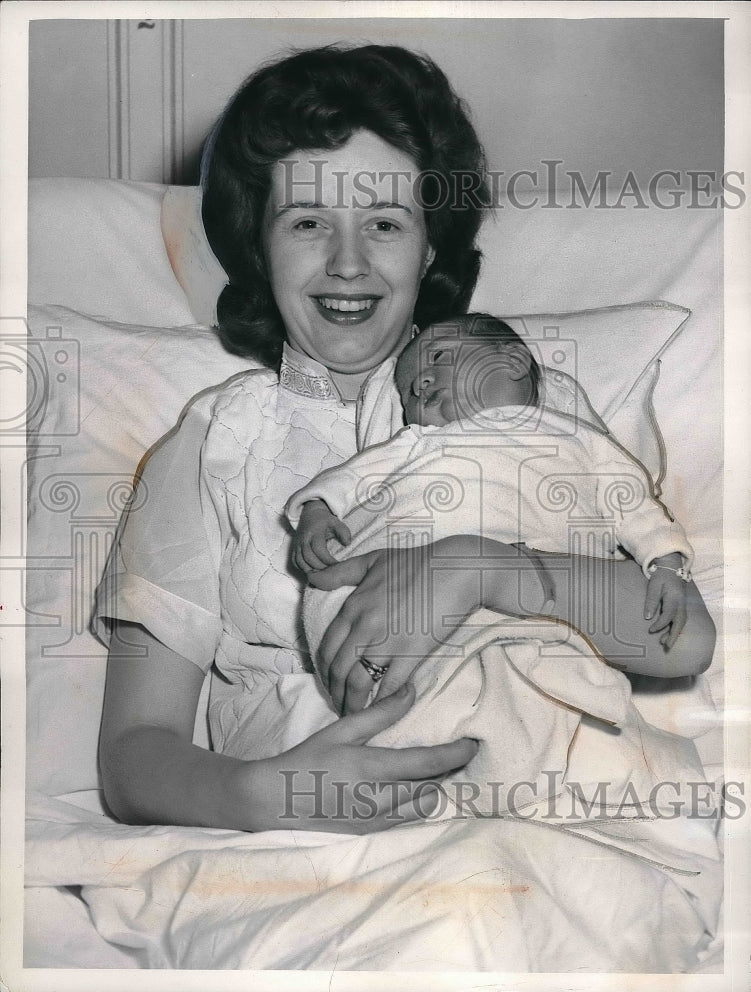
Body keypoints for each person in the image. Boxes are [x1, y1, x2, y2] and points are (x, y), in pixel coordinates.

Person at [96, 44, 714, 839]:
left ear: (429, 245)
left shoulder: (528, 400)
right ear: (257, 240)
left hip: (541, 804)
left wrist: (478, 568)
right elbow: (132, 756)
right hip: (306, 843)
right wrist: (261, 795)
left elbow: (681, 638)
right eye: (308, 221)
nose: (346, 263)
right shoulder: (213, 444)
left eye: (384, 223)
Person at [287, 313, 715, 716]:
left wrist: (665, 562)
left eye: (437, 358)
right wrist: (316, 511)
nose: (421, 384)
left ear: (512, 361)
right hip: (400, 579)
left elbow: (633, 502)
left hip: (530, 587)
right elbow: (350, 478)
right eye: (409, 389)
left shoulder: (578, 440)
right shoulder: (417, 442)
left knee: (537, 667)